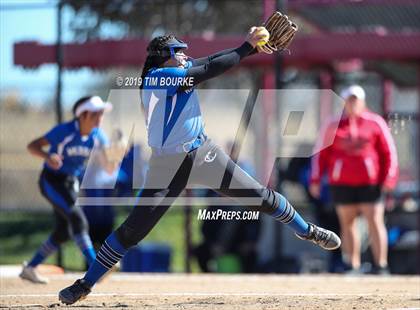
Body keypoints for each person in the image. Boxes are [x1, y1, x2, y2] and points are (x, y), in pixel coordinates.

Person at [59, 28, 341, 304]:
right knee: (133, 230)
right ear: (162, 57)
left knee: (260, 197)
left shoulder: (176, 71)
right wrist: (246, 47)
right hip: (166, 164)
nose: (184, 56)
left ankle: (307, 231)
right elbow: (207, 70)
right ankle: (85, 284)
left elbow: (208, 62)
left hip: (203, 153)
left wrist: (250, 45)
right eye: (177, 52)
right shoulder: (158, 77)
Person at [19, 96, 112, 284]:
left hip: (70, 183)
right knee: (77, 219)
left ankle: (30, 268)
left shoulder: (98, 136)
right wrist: (47, 156)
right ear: (83, 115)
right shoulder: (65, 131)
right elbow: (32, 146)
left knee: (63, 231)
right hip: (51, 181)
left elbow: (108, 167)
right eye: (96, 113)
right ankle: (96, 267)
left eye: (102, 113)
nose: (100, 117)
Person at [310, 85, 399, 274]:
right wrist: (316, 179)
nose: (352, 103)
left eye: (355, 99)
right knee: (347, 223)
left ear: (362, 101)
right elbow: (320, 154)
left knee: (375, 221)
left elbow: (388, 153)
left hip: (370, 183)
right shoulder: (333, 125)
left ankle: (381, 265)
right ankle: (353, 264)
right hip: (341, 183)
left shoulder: (375, 123)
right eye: (349, 99)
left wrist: (389, 179)